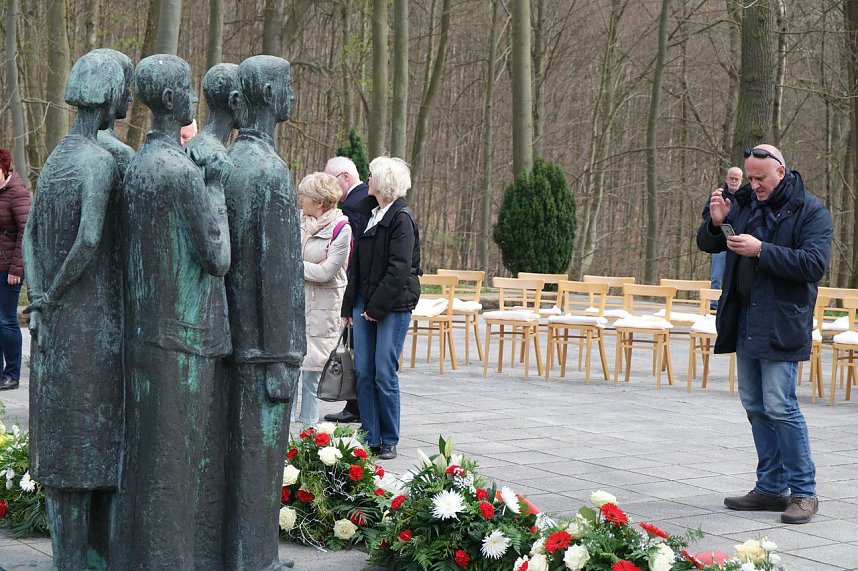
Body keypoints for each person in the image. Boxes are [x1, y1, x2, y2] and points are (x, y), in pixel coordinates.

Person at [114, 53, 232, 568]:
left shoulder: (139, 164)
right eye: (186, 89)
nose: (192, 98)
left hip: (145, 331)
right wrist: (216, 187)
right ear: (169, 100)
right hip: (183, 336)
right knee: (177, 461)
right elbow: (217, 257)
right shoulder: (182, 173)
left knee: (149, 456)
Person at [22, 51, 124, 570]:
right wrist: (56, 293)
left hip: (56, 324)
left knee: (62, 438)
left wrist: (38, 296)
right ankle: (89, 560)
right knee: (92, 440)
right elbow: (86, 241)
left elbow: (30, 235)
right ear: (108, 97)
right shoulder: (100, 162)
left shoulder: (60, 157)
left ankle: (70, 558)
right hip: (90, 322)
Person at [697, 144, 832, 525]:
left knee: (781, 406)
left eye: (760, 178)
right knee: (755, 406)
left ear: (781, 172)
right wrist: (716, 221)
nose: (753, 184)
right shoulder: (742, 203)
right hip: (744, 320)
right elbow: (710, 244)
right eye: (749, 177)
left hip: (782, 321)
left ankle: (804, 493)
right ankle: (771, 488)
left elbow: (814, 264)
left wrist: (762, 251)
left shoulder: (811, 210)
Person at [222, 55, 303, 571]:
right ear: (270, 95)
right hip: (262, 352)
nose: (293, 94)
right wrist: (279, 356)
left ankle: (240, 555)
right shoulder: (269, 172)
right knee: (258, 465)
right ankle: (257, 561)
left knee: (238, 463)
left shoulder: (232, 161)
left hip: (235, 341)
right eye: (288, 85)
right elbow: (274, 275)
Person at [341, 156, 421, 461]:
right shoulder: (371, 214)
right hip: (365, 301)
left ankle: (389, 438)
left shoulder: (401, 218)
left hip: (392, 306)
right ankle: (369, 434)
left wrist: (375, 309)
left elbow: (399, 270)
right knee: (363, 371)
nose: (367, 179)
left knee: (383, 371)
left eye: (372, 175)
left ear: (384, 182)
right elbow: (356, 267)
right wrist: (350, 306)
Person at [294, 172, 351, 426]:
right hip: (296, 305)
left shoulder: (341, 229)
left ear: (319, 201)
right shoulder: (298, 221)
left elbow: (327, 272)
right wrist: (309, 266)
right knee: (289, 370)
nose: (300, 198)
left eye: (304, 194)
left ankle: (307, 432)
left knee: (311, 375)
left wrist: (294, 266)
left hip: (322, 310)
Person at [322, 156, 377, 424]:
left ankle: (355, 407)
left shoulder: (356, 205)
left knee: (357, 351)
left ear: (345, 177)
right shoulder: (364, 199)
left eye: (331, 180)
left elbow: (353, 252)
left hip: (357, 285)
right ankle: (357, 406)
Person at [0, 148, 31, 392]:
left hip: (10, 269)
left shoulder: (17, 193)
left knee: (6, 320)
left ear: (3, 170)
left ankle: (12, 374)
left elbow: (26, 234)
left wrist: (16, 269)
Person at [94, 48, 135, 177]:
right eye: (127, 87)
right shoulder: (119, 153)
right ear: (114, 89)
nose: (130, 97)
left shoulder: (63, 146)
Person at [707, 166, 743, 307]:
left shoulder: (746, 198)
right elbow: (706, 217)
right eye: (731, 178)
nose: (734, 181)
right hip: (721, 242)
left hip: (740, 243)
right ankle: (714, 305)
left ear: (741, 181)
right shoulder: (717, 196)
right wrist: (717, 222)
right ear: (726, 179)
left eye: (737, 179)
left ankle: (734, 305)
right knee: (716, 275)